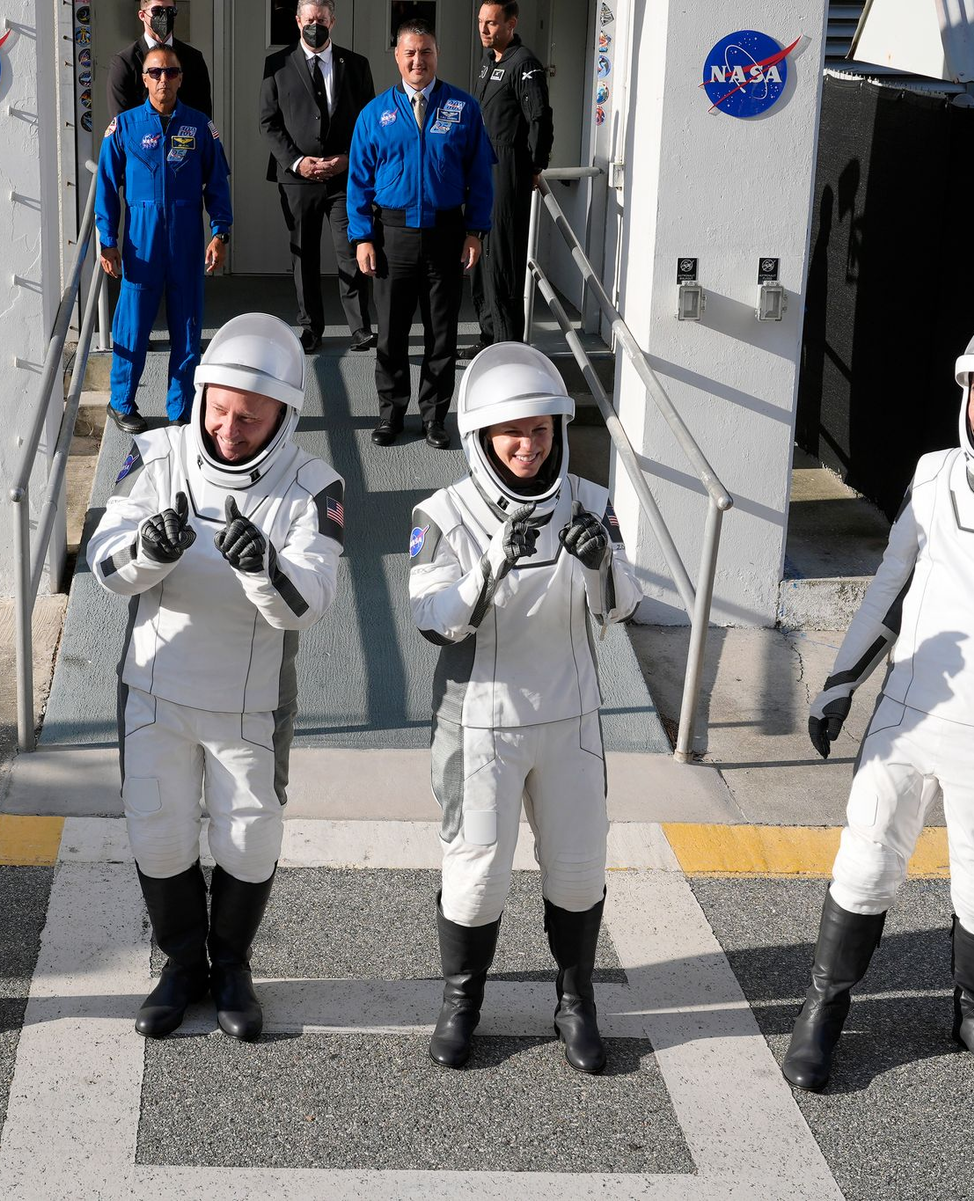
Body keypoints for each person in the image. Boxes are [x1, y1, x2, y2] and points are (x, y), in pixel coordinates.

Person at [87, 313, 344, 1044]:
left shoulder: (314, 484)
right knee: (158, 831)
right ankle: (179, 965)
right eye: (221, 410)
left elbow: (311, 600)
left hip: (248, 702)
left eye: (250, 418)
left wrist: (263, 563)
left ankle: (231, 965)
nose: (229, 430)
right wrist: (148, 547)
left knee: (250, 837)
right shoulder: (154, 452)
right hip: (154, 689)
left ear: (283, 418)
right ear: (200, 397)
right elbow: (107, 563)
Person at [408, 342, 640, 1071]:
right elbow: (431, 616)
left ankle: (576, 1001)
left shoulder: (593, 503)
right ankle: (461, 1002)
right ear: (481, 435)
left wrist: (601, 561)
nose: (529, 445)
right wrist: (489, 566)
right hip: (481, 724)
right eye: (513, 431)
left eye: (541, 429)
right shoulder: (443, 512)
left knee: (577, 869)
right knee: (476, 875)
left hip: (569, 720)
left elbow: (626, 604)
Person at [783, 335, 974, 1092]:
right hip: (911, 709)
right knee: (866, 858)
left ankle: (969, 1002)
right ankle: (822, 1010)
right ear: (965, 391)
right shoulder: (933, 478)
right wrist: (839, 682)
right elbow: (887, 588)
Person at [347, 19, 493, 449]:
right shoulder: (375, 113)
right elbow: (357, 181)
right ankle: (390, 416)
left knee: (442, 333)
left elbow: (481, 176)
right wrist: (363, 238)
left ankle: (433, 418)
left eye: (425, 51)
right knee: (391, 333)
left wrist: (475, 232)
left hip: (446, 235)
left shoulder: (463, 109)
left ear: (437, 54)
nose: (418, 60)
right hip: (393, 237)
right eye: (410, 52)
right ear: (397, 57)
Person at [97, 44, 232, 434]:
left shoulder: (200, 126)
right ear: (143, 78)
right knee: (132, 326)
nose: (163, 80)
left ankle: (182, 408)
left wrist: (220, 233)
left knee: (187, 329)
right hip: (141, 244)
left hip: (187, 241)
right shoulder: (124, 127)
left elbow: (218, 185)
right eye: (155, 72)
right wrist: (108, 240)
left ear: (180, 78)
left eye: (171, 73)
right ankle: (121, 402)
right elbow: (106, 187)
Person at [259, 0, 376, 355]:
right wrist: (298, 162)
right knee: (304, 254)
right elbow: (268, 122)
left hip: (344, 178)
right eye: (309, 19)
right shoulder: (276, 65)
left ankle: (360, 328)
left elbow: (367, 122)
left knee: (350, 249)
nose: (315, 25)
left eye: (321, 19)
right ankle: (310, 328)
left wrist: (346, 158)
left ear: (332, 21)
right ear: (297, 22)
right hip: (297, 178)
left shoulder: (356, 65)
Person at [464, 2, 553, 353]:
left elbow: (540, 118)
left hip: (507, 166)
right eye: (481, 22)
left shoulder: (524, 64)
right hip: (481, 165)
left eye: (492, 23)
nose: (484, 29)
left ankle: (507, 346)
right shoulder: (489, 61)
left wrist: (534, 166)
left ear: (511, 24)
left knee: (501, 259)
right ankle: (488, 336)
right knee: (478, 255)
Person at [108, 1, 212, 119]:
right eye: (156, 11)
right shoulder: (125, 63)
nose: (164, 17)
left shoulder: (194, 59)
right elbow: (122, 124)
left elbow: (203, 119)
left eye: (170, 11)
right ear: (142, 15)